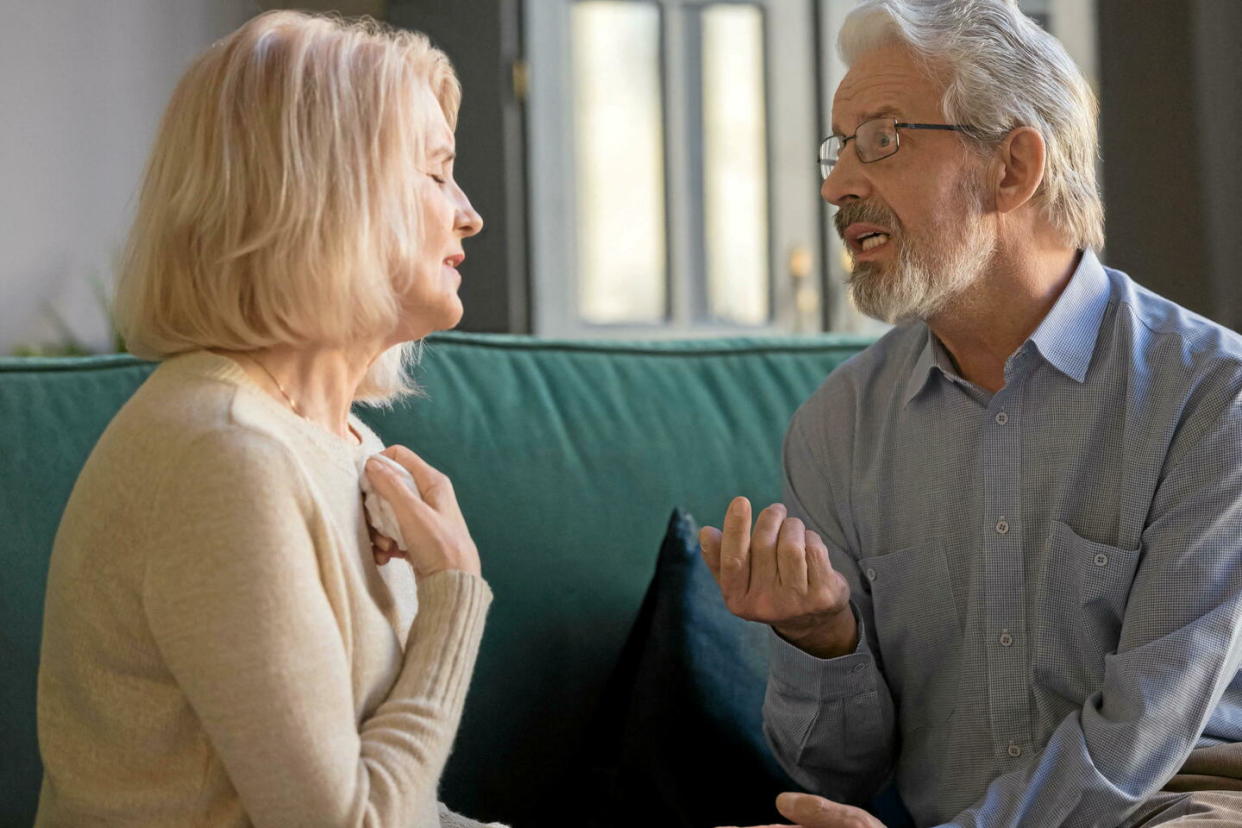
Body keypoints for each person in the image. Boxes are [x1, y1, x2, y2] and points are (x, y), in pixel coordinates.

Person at [701, 1, 1242, 826]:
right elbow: (835, 775)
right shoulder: (836, 427)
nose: (836, 184)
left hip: (1178, 806)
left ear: (1013, 167)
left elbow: (1143, 736)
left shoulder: (1214, 399)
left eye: (882, 139)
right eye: (839, 146)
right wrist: (824, 636)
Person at [35, 11, 502, 827]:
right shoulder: (223, 454)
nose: (469, 214)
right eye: (435, 175)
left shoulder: (343, 442)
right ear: (328, 199)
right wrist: (454, 599)